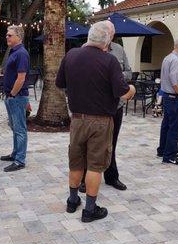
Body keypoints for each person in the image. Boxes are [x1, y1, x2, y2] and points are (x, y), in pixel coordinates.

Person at [56, 21, 135, 223]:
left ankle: (72, 201)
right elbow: (123, 93)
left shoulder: (71, 55)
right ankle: (90, 209)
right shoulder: (109, 61)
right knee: (95, 165)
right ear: (107, 40)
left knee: (75, 161)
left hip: (77, 120)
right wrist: (132, 89)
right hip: (101, 121)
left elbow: (60, 83)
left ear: (90, 36)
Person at [79, 28, 132, 193]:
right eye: (105, 32)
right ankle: (84, 179)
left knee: (111, 143)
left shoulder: (119, 50)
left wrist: (115, 76)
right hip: (94, 107)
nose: (109, 35)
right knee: (90, 145)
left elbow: (129, 72)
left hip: (115, 106)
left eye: (111, 33)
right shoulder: (85, 49)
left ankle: (111, 176)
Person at [0, 25, 30, 172]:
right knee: (15, 128)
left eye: (10, 35)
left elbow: (22, 78)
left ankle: (20, 160)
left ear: (19, 37)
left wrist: (12, 94)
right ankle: (15, 153)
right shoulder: (13, 52)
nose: (7, 37)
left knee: (20, 129)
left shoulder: (21, 54)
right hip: (12, 97)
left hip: (16, 97)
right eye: (7, 34)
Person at [157, 37, 178, 165]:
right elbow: (176, 83)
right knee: (175, 127)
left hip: (167, 96)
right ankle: (170, 155)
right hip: (175, 97)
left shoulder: (168, 57)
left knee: (167, 125)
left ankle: (162, 150)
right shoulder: (176, 60)